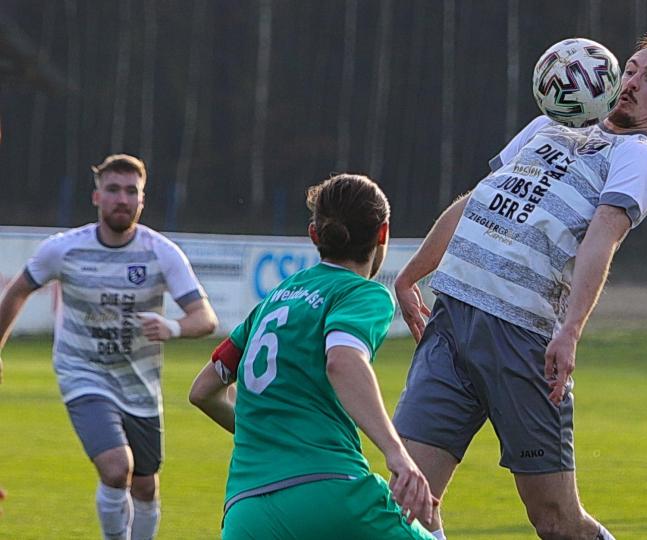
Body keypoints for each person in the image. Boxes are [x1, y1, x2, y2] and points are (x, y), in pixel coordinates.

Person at [391, 33, 647, 539]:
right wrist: (410, 275)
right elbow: (478, 199)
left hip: (522, 337)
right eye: (630, 69)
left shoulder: (638, 157)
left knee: (557, 522)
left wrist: (571, 329)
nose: (631, 82)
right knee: (408, 498)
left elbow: (602, 236)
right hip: (451, 321)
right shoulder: (546, 126)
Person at [188, 173, 436, 539]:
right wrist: (396, 453)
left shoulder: (275, 300)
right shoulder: (361, 293)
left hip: (246, 509)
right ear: (382, 233)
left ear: (314, 234)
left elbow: (203, 391)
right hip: (331, 489)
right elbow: (343, 360)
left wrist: (267, 433)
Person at [0, 154, 218, 539]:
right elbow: (17, 291)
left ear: (142, 200)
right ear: (96, 196)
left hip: (140, 385)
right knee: (118, 468)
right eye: (113, 190)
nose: (122, 199)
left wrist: (172, 327)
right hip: (83, 374)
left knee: (145, 487)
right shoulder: (63, 249)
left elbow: (205, 318)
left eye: (131, 191)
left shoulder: (161, 252)